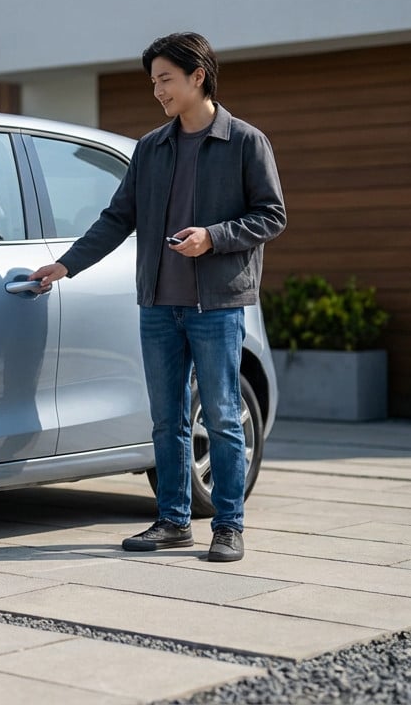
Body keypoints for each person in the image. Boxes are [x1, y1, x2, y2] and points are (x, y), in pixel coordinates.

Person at [29, 32, 286, 563]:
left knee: (219, 414)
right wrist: (67, 264)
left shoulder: (244, 142)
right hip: (158, 306)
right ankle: (172, 522)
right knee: (166, 419)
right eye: (153, 83)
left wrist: (212, 237)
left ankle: (228, 526)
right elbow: (118, 217)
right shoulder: (151, 148)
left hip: (216, 306)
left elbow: (271, 215)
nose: (158, 92)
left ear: (198, 76)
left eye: (165, 79)